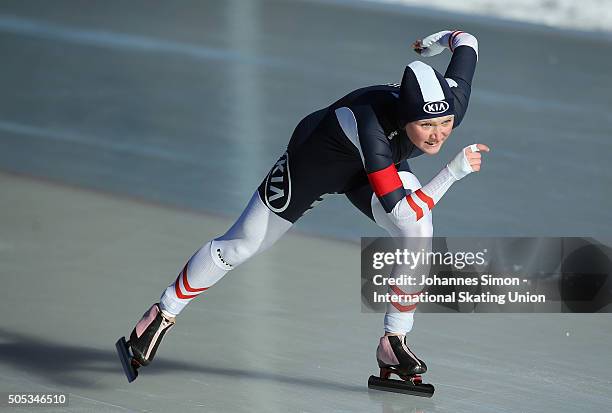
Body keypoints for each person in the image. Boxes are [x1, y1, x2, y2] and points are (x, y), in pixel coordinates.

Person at [117, 29, 487, 388]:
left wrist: (430, 44)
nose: (438, 134)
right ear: (405, 118)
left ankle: (393, 343)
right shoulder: (370, 124)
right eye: (426, 125)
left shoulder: (453, 100)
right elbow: (403, 210)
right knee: (241, 244)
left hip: (376, 166)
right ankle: (160, 315)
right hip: (317, 159)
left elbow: (465, 40)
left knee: (419, 232)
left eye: (445, 122)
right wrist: (452, 173)